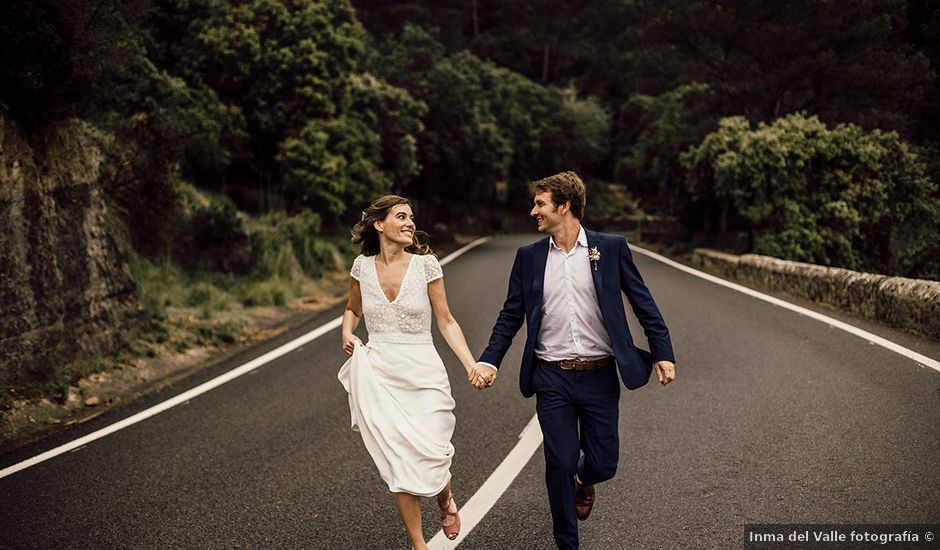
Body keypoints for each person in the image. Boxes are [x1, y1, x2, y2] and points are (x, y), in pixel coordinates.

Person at [474, 172, 677, 550]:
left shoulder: (610, 249)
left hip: (600, 375)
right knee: (560, 462)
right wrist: (490, 360)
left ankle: (586, 481)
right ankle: (566, 543)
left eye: (540, 203)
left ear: (564, 206)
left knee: (603, 463)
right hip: (552, 375)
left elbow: (642, 301)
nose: (533, 210)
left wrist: (662, 351)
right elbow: (511, 314)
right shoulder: (529, 257)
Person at [337, 195, 491, 550]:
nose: (409, 223)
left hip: (424, 371)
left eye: (411, 217)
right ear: (380, 224)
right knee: (400, 461)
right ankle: (419, 544)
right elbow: (352, 309)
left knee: (434, 450)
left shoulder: (426, 266)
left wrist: (472, 366)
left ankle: (445, 499)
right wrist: (347, 331)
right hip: (381, 373)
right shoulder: (361, 267)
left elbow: (447, 321)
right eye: (401, 216)